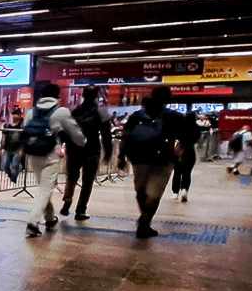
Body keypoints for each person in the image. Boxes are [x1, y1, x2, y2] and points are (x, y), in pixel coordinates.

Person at [19, 82, 86, 238]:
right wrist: (83, 142)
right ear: (57, 96)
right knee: (45, 190)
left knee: (44, 188)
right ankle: (32, 222)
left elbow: (26, 129)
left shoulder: (31, 112)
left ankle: (50, 219)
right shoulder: (61, 111)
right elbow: (75, 133)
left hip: (34, 154)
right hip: (50, 156)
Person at [118, 85, 182, 239]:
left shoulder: (137, 115)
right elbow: (190, 136)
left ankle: (144, 222)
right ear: (168, 99)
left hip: (139, 158)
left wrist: (121, 156)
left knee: (141, 191)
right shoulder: (174, 116)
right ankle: (144, 222)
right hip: (163, 160)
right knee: (153, 194)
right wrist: (179, 151)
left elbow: (126, 136)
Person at [59, 85, 111, 221]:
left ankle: (67, 201)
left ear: (83, 95)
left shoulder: (75, 111)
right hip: (92, 149)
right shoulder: (101, 112)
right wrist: (108, 151)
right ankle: (80, 210)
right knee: (87, 182)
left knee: (71, 177)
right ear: (97, 96)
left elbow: (66, 130)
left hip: (74, 148)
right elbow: (106, 135)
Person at [170, 107, 199, 203]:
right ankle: (184, 190)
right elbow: (196, 139)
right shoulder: (196, 127)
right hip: (190, 151)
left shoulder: (179, 126)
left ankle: (175, 193)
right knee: (187, 172)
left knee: (177, 172)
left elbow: (174, 136)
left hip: (179, 150)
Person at [2, 111, 25, 182]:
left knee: (14, 165)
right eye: (13, 115)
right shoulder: (8, 125)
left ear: (19, 116)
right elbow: (4, 136)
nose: (14, 116)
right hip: (8, 148)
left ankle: (13, 179)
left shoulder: (22, 126)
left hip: (17, 149)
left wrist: (22, 149)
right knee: (5, 166)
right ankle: (18, 169)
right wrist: (1, 147)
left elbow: (25, 138)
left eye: (16, 115)